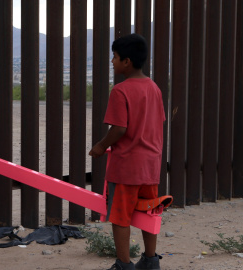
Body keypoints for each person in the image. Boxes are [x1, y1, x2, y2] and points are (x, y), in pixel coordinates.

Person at [89, 34, 166, 270]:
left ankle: (124, 264)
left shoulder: (120, 91)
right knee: (149, 212)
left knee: (120, 217)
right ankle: (151, 260)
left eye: (115, 57)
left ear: (127, 61)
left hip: (126, 166)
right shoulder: (154, 88)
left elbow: (120, 128)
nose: (112, 61)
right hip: (150, 165)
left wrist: (101, 146)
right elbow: (158, 121)